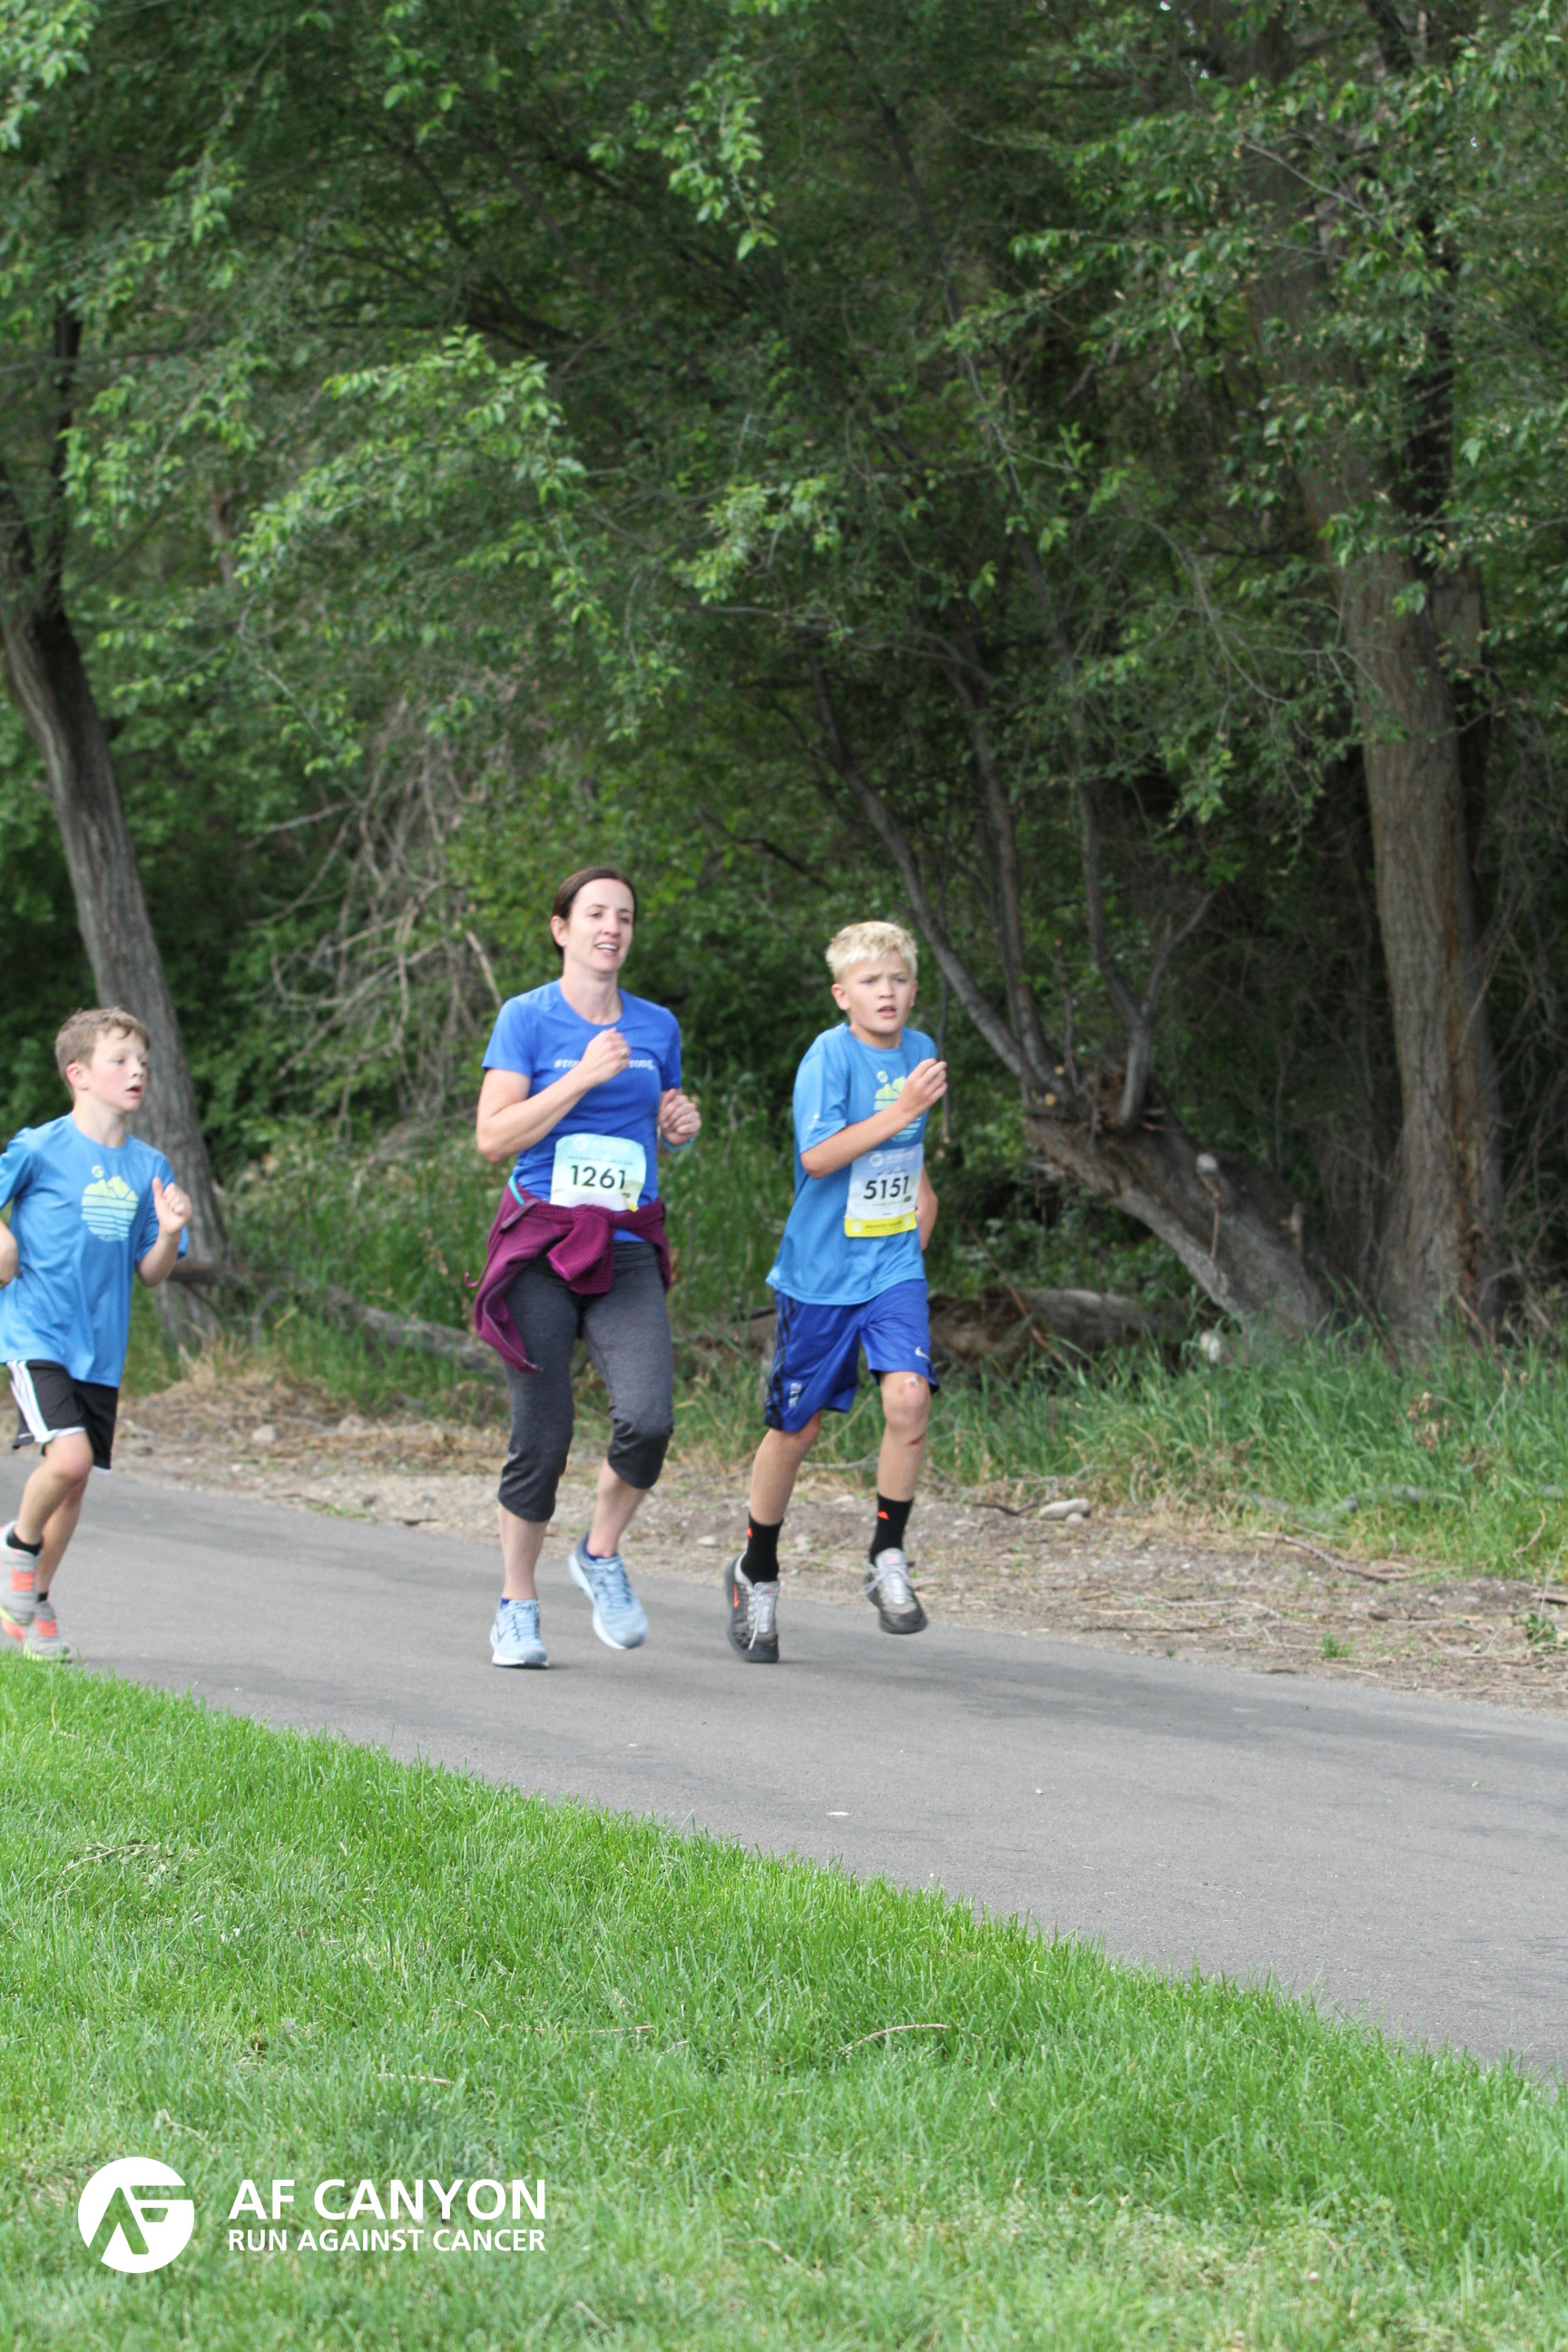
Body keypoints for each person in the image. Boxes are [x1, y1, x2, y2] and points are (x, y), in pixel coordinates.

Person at [472, 867, 701, 1669]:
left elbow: (662, 1116)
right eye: (596, 913)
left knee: (650, 1418)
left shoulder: (657, 1025)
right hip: (540, 1243)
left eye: (624, 917)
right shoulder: (526, 1018)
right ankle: (516, 1605)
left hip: (626, 1243)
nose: (612, 927)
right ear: (561, 928)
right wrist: (580, 1076)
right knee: (544, 1432)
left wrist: (678, 1125)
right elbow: (493, 1138)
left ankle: (599, 1552)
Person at [724, 920, 946, 1665]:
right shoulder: (829, 1055)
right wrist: (902, 1110)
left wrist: (920, 1214)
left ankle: (886, 1556)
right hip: (821, 1274)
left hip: (892, 1265)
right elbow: (818, 1157)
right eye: (871, 981)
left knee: (909, 1398)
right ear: (842, 994)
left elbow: (906, 1156)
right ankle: (756, 1568)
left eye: (899, 979)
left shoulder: (919, 1051)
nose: (888, 992)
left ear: (914, 989)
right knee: (799, 1429)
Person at [0, 1009, 191, 1661]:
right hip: (35, 1333)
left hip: (100, 1348)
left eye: (143, 1062)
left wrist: (169, 1232)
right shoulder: (40, 1147)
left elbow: (153, 1273)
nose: (137, 1071)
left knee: (75, 1485)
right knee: (69, 1461)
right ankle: (17, 1547)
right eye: (121, 1060)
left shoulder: (150, 1166)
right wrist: (4, 1241)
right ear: (78, 1074)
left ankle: (34, 1602)